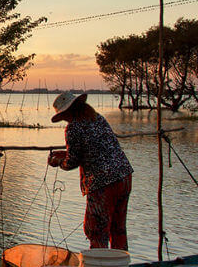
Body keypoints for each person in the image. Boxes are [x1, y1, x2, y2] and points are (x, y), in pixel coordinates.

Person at [47, 93, 133, 250]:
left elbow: (72, 162)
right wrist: (65, 154)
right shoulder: (97, 118)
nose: (64, 119)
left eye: (64, 115)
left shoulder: (73, 127)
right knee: (118, 228)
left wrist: (58, 161)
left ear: (68, 112)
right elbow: (94, 150)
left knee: (96, 230)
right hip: (124, 175)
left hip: (102, 182)